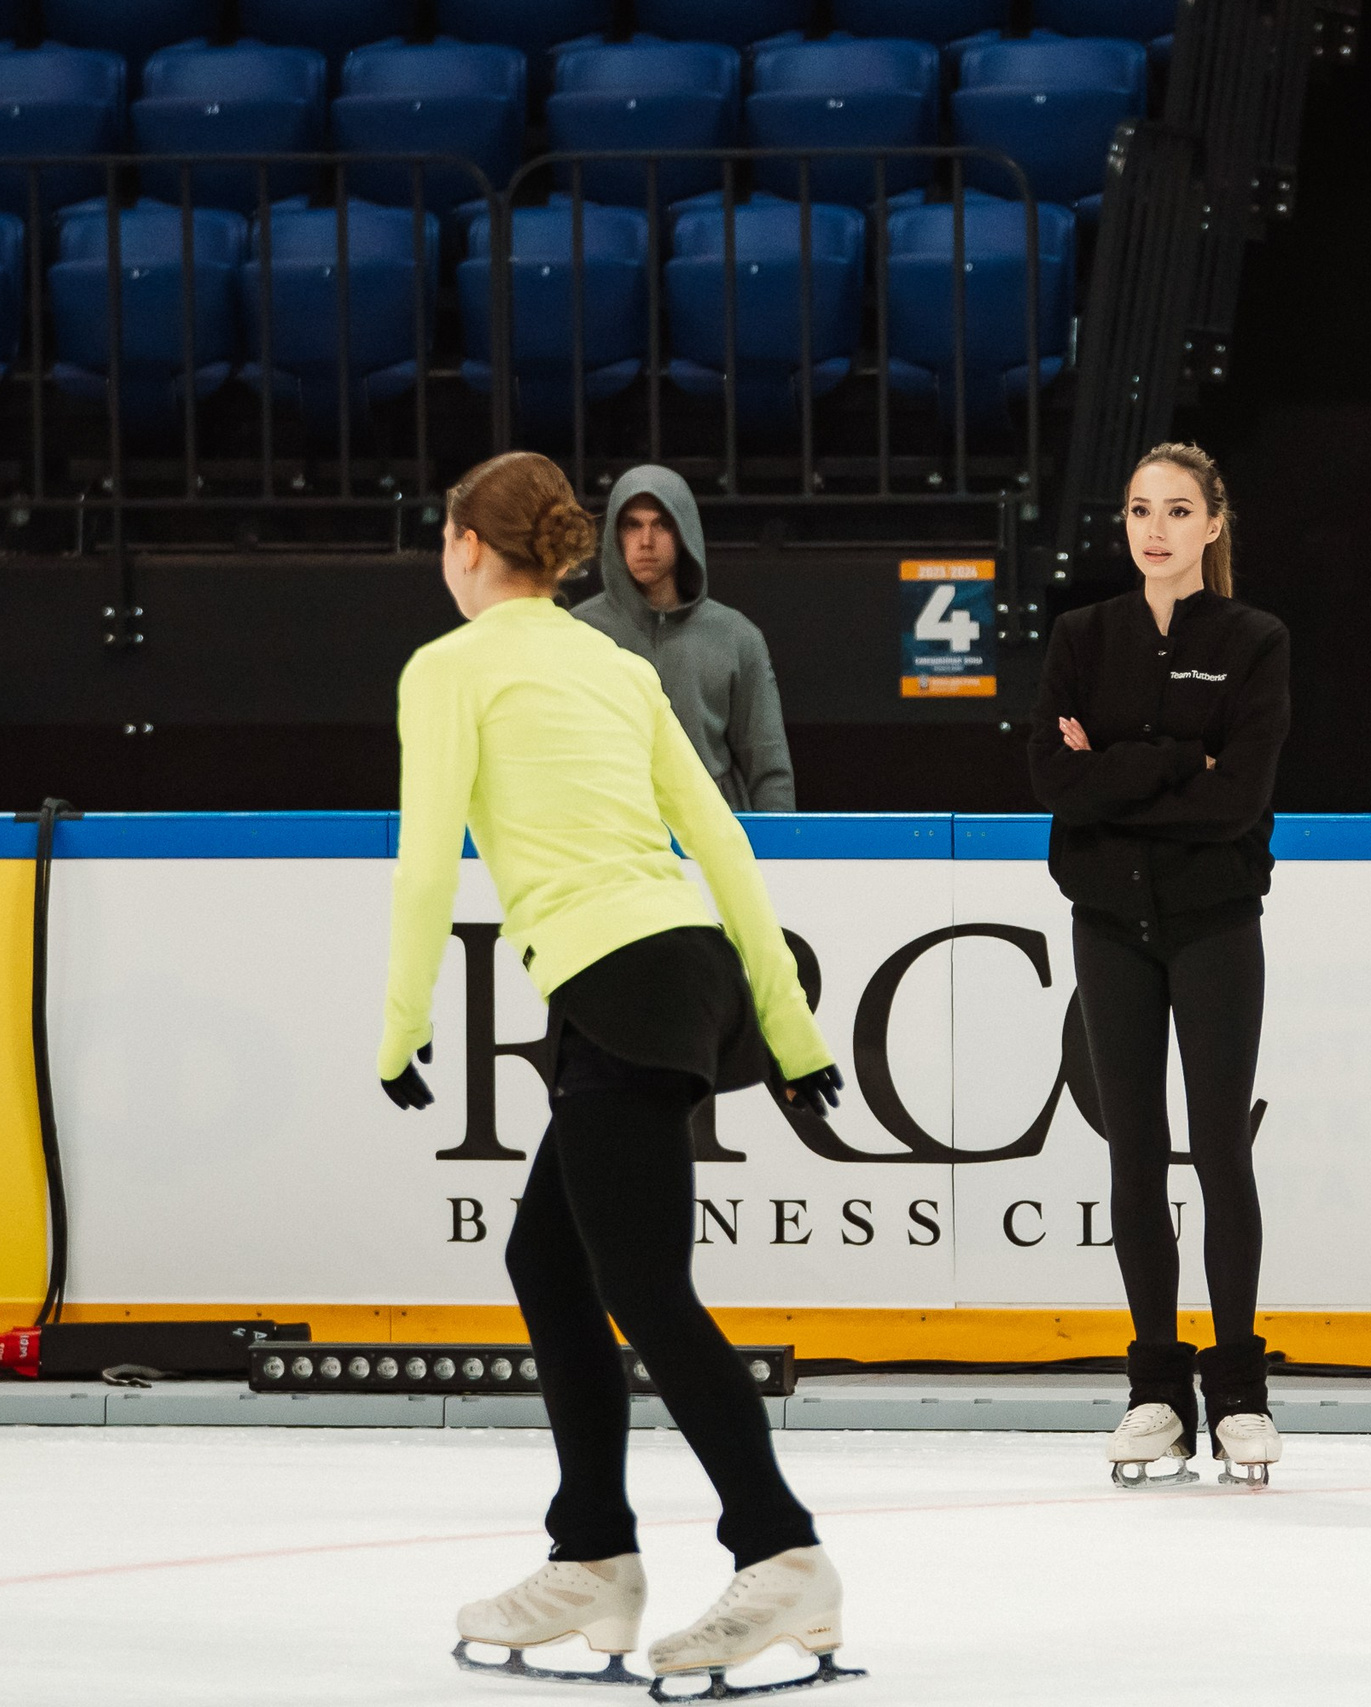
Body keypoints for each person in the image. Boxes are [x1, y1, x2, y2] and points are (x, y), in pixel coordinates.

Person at [376, 451, 855, 1696]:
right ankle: (591, 1553)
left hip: (620, 984)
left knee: (644, 1286)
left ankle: (781, 1549)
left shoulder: (447, 669)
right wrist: (789, 1030)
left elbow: (428, 863)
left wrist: (399, 1027)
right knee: (546, 1256)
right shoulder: (614, 663)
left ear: (470, 550)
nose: (445, 557)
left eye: (445, 537)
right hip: (678, 970)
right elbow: (723, 845)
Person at [1027, 442, 1292, 1490]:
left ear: (1213, 524)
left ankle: (1238, 1394)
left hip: (1216, 921)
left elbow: (1242, 800)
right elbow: (1055, 779)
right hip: (1109, 924)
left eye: (1177, 510)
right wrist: (1186, 757)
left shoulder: (1255, 641)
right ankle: (1153, 1392)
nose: (1155, 529)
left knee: (1220, 1150)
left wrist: (1120, 771)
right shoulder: (1081, 638)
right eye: (1140, 509)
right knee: (1132, 1154)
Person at [573, 464, 797, 812]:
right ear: (615, 535)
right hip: (611, 835)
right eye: (632, 525)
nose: (646, 541)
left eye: (661, 524)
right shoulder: (579, 634)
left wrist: (778, 856)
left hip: (713, 840)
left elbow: (769, 769)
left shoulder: (737, 637)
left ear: (684, 532)